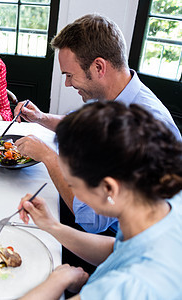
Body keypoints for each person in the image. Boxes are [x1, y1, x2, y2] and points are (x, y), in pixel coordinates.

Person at [13, 14, 181, 233]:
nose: (67, 83)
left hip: (118, 237)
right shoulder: (114, 95)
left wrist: (47, 156)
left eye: (70, 75)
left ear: (99, 67)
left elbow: (92, 220)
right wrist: (41, 118)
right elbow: (80, 126)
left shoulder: (143, 128)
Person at [18, 101, 182, 299]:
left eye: (72, 184)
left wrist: (59, 279)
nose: (71, 190)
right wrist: (52, 226)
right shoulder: (159, 202)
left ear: (109, 188)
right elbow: (119, 250)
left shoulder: (130, 286)